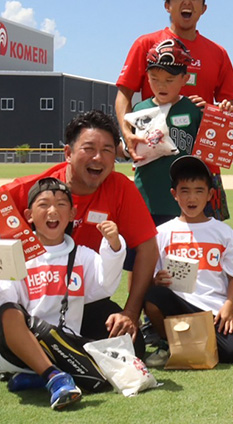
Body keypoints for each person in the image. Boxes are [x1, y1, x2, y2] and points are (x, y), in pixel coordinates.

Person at [0, 111, 156, 354]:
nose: (98, 157)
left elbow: (148, 248)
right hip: (33, 303)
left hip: (84, 299)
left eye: (107, 150)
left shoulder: (121, 189)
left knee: (131, 345)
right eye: (89, 148)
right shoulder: (34, 189)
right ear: (68, 153)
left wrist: (130, 312)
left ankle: (58, 355)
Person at [116, 0, 233, 219]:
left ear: (204, 8)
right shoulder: (146, 44)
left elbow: (230, 108)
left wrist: (217, 110)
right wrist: (126, 132)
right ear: (167, 6)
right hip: (155, 160)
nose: (187, 2)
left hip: (203, 165)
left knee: (203, 244)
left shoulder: (218, 53)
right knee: (152, 244)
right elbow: (123, 94)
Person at [0, 178, 125, 409]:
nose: (52, 211)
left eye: (60, 205)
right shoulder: (17, 253)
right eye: (44, 205)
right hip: (20, 346)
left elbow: (105, 286)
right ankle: (56, 378)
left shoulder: (82, 256)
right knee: (7, 310)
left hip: (63, 348)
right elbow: (6, 299)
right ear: (28, 215)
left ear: (72, 214)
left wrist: (114, 245)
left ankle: (44, 376)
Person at [143, 156, 233, 366]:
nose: (192, 198)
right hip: (179, 304)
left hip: (213, 310)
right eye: (185, 191)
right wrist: (158, 280)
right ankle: (169, 343)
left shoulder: (224, 233)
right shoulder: (162, 233)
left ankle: (192, 343)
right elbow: (150, 278)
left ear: (210, 195)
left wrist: (228, 307)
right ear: (174, 194)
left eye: (199, 191)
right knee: (153, 295)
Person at [129, 38, 203, 228]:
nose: (161, 85)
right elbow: (126, 148)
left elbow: (214, 148)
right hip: (145, 197)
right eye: (154, 79)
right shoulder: (139, 109)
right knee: (145, 254)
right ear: (147, 77)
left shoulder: (193, 109)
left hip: (181, 203)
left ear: (185, 79)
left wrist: (221, 113)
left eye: (169, 80)